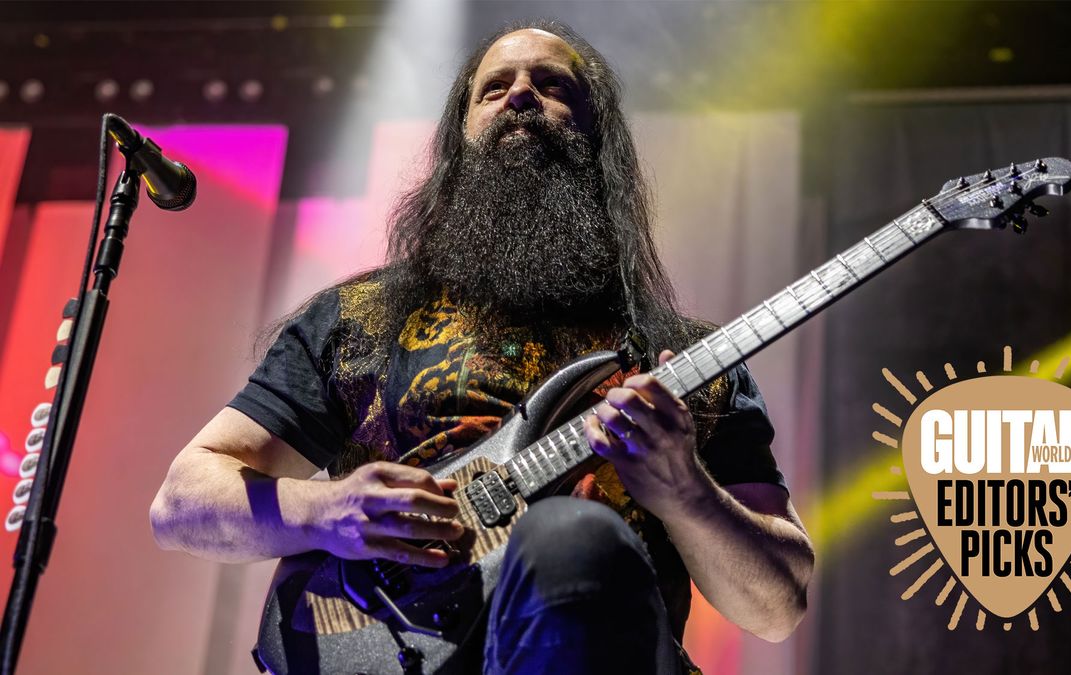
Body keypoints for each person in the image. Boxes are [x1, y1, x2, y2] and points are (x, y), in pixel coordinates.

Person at [150, 19, 814, 674]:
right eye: (493, 88)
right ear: (459, 139)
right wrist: (326, 509)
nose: (520, 94)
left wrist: (685, 489)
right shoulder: (360, 319)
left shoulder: (684, 364)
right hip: (396, 647)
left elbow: (775, 606)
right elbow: (184, 502)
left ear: (598, 137)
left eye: (552, 84)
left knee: (572, 540)